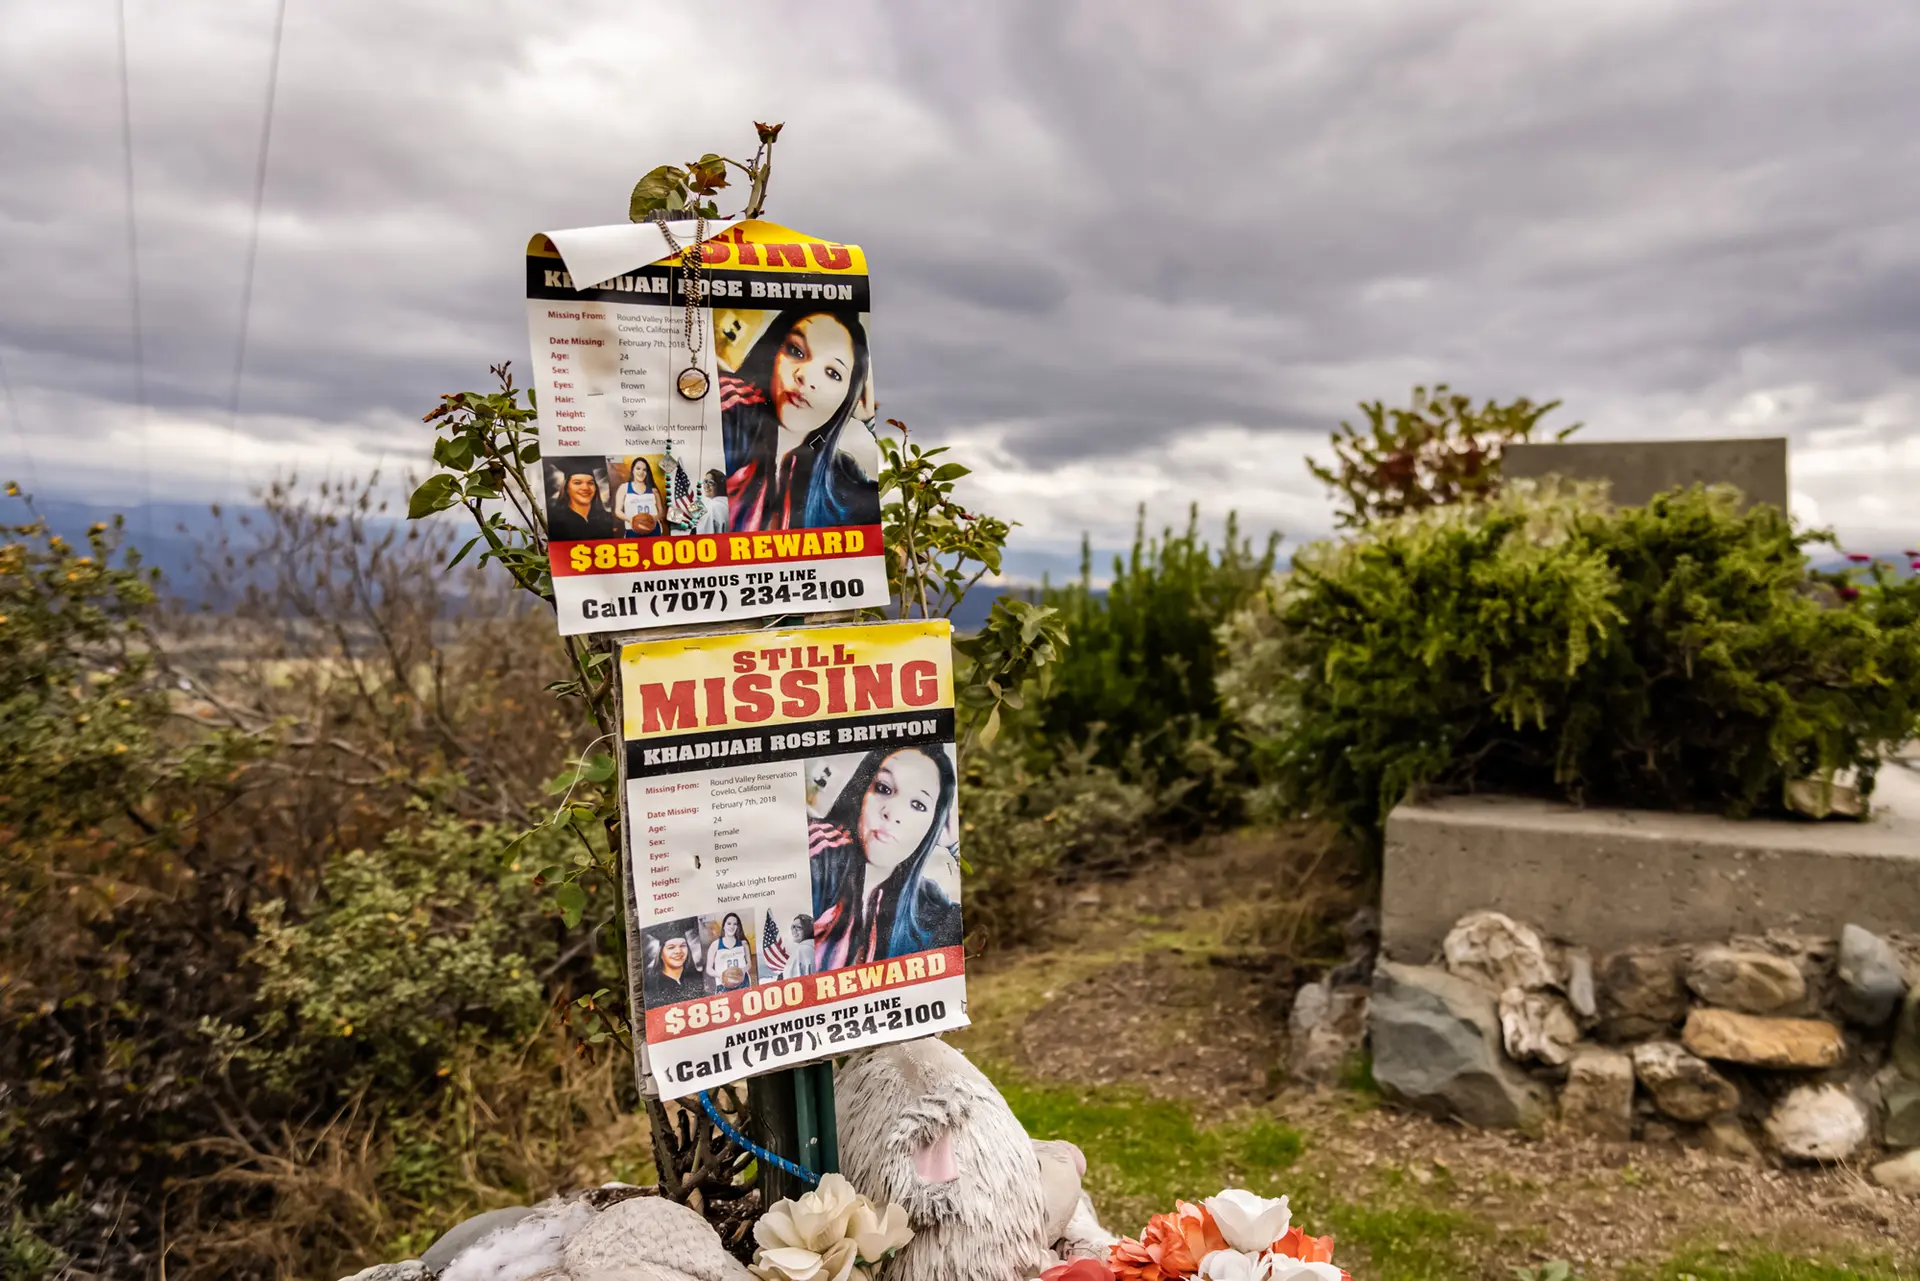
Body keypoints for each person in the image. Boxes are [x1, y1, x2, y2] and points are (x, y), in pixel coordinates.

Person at [720, 306, 880, 532]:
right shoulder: (730, 407)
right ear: (774, 352)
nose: (806, 377)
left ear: (849, 395)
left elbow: (903, 516)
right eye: (796, 351)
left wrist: (872, 421)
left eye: (833, 373)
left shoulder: (843, 475)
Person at [810, 745, 962, 971]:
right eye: (883, 788)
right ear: (863, 792)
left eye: (918, 805)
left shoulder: (931, 905)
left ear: (933, 825)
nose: (893, 812)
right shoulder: (823, 850)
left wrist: (955, 845)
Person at [547, 460, 620, 542]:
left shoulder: (608, 519)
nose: (585, 488)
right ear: (566, 488)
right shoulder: (556, 523)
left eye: (590, 483)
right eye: (577, 483)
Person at [643, 929, 706, 1006]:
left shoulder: (701, 978)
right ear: (661, 954)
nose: (678, 951)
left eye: (683, 945)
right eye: (671, 947)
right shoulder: (652, 986)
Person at [614, 458, 664, 537]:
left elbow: (661, 511)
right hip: (632, 529)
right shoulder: (624, 488)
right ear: (632, 470)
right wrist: (631, 519)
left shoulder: (653, 489)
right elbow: (617, 511)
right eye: (638, 468)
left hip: (653, 529)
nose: (641, 472)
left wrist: (653, 519)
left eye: (644, 470)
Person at [704, 911, 753, 992]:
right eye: (729, 923)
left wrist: (741, 971)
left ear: (738, 927)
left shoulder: (743, 943)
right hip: (723, 984)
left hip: (743, 983)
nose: (732, 926)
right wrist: (721, 975)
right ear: (723, 926)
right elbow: (708, 969)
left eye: (735, 924)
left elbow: (749, 963)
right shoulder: (715, 945)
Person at [779, 914, 817, 979]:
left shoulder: (804, 949)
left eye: (798, 927)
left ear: (808, 929)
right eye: (793, 927)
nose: (794, 931)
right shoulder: (812, 946)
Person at [695, 469, 729, 536]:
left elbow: (703, 534)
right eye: (705, 481)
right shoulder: (729, 503)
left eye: (711, 482)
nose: (706, 486)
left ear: (720, 486)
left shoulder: (712, 507)